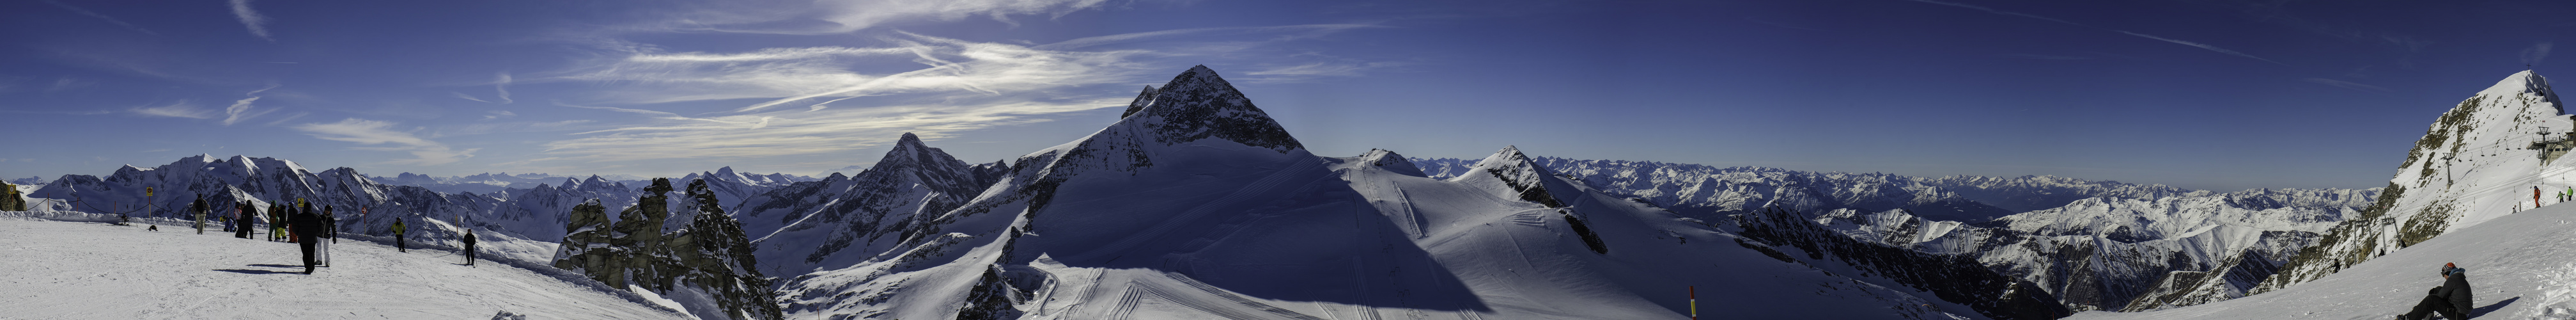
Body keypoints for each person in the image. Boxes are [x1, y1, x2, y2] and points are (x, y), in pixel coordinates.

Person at [2401, 262, 2474, 320]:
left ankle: (2411, 318)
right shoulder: (2459, 278)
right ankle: (2427, 314)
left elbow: (2440, 297)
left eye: (2443, 275)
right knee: (2436, 290)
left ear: (2446, 273)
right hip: (2463, 313)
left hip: (2459, 315)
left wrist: (2423, 307)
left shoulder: (2452, 280)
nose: (2444, 277)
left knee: (2431, 299)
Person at [291, 204, 323, 275]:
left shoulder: (299, 217)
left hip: (303, 238)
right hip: (312, 238)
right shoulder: (316, 217)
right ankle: (312, 267)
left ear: (304, 208)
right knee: (312, 253)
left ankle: (308, 268)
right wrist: (316, 233)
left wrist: (298, 234)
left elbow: (294, 227)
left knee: (305, 254)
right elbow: (321, 227)